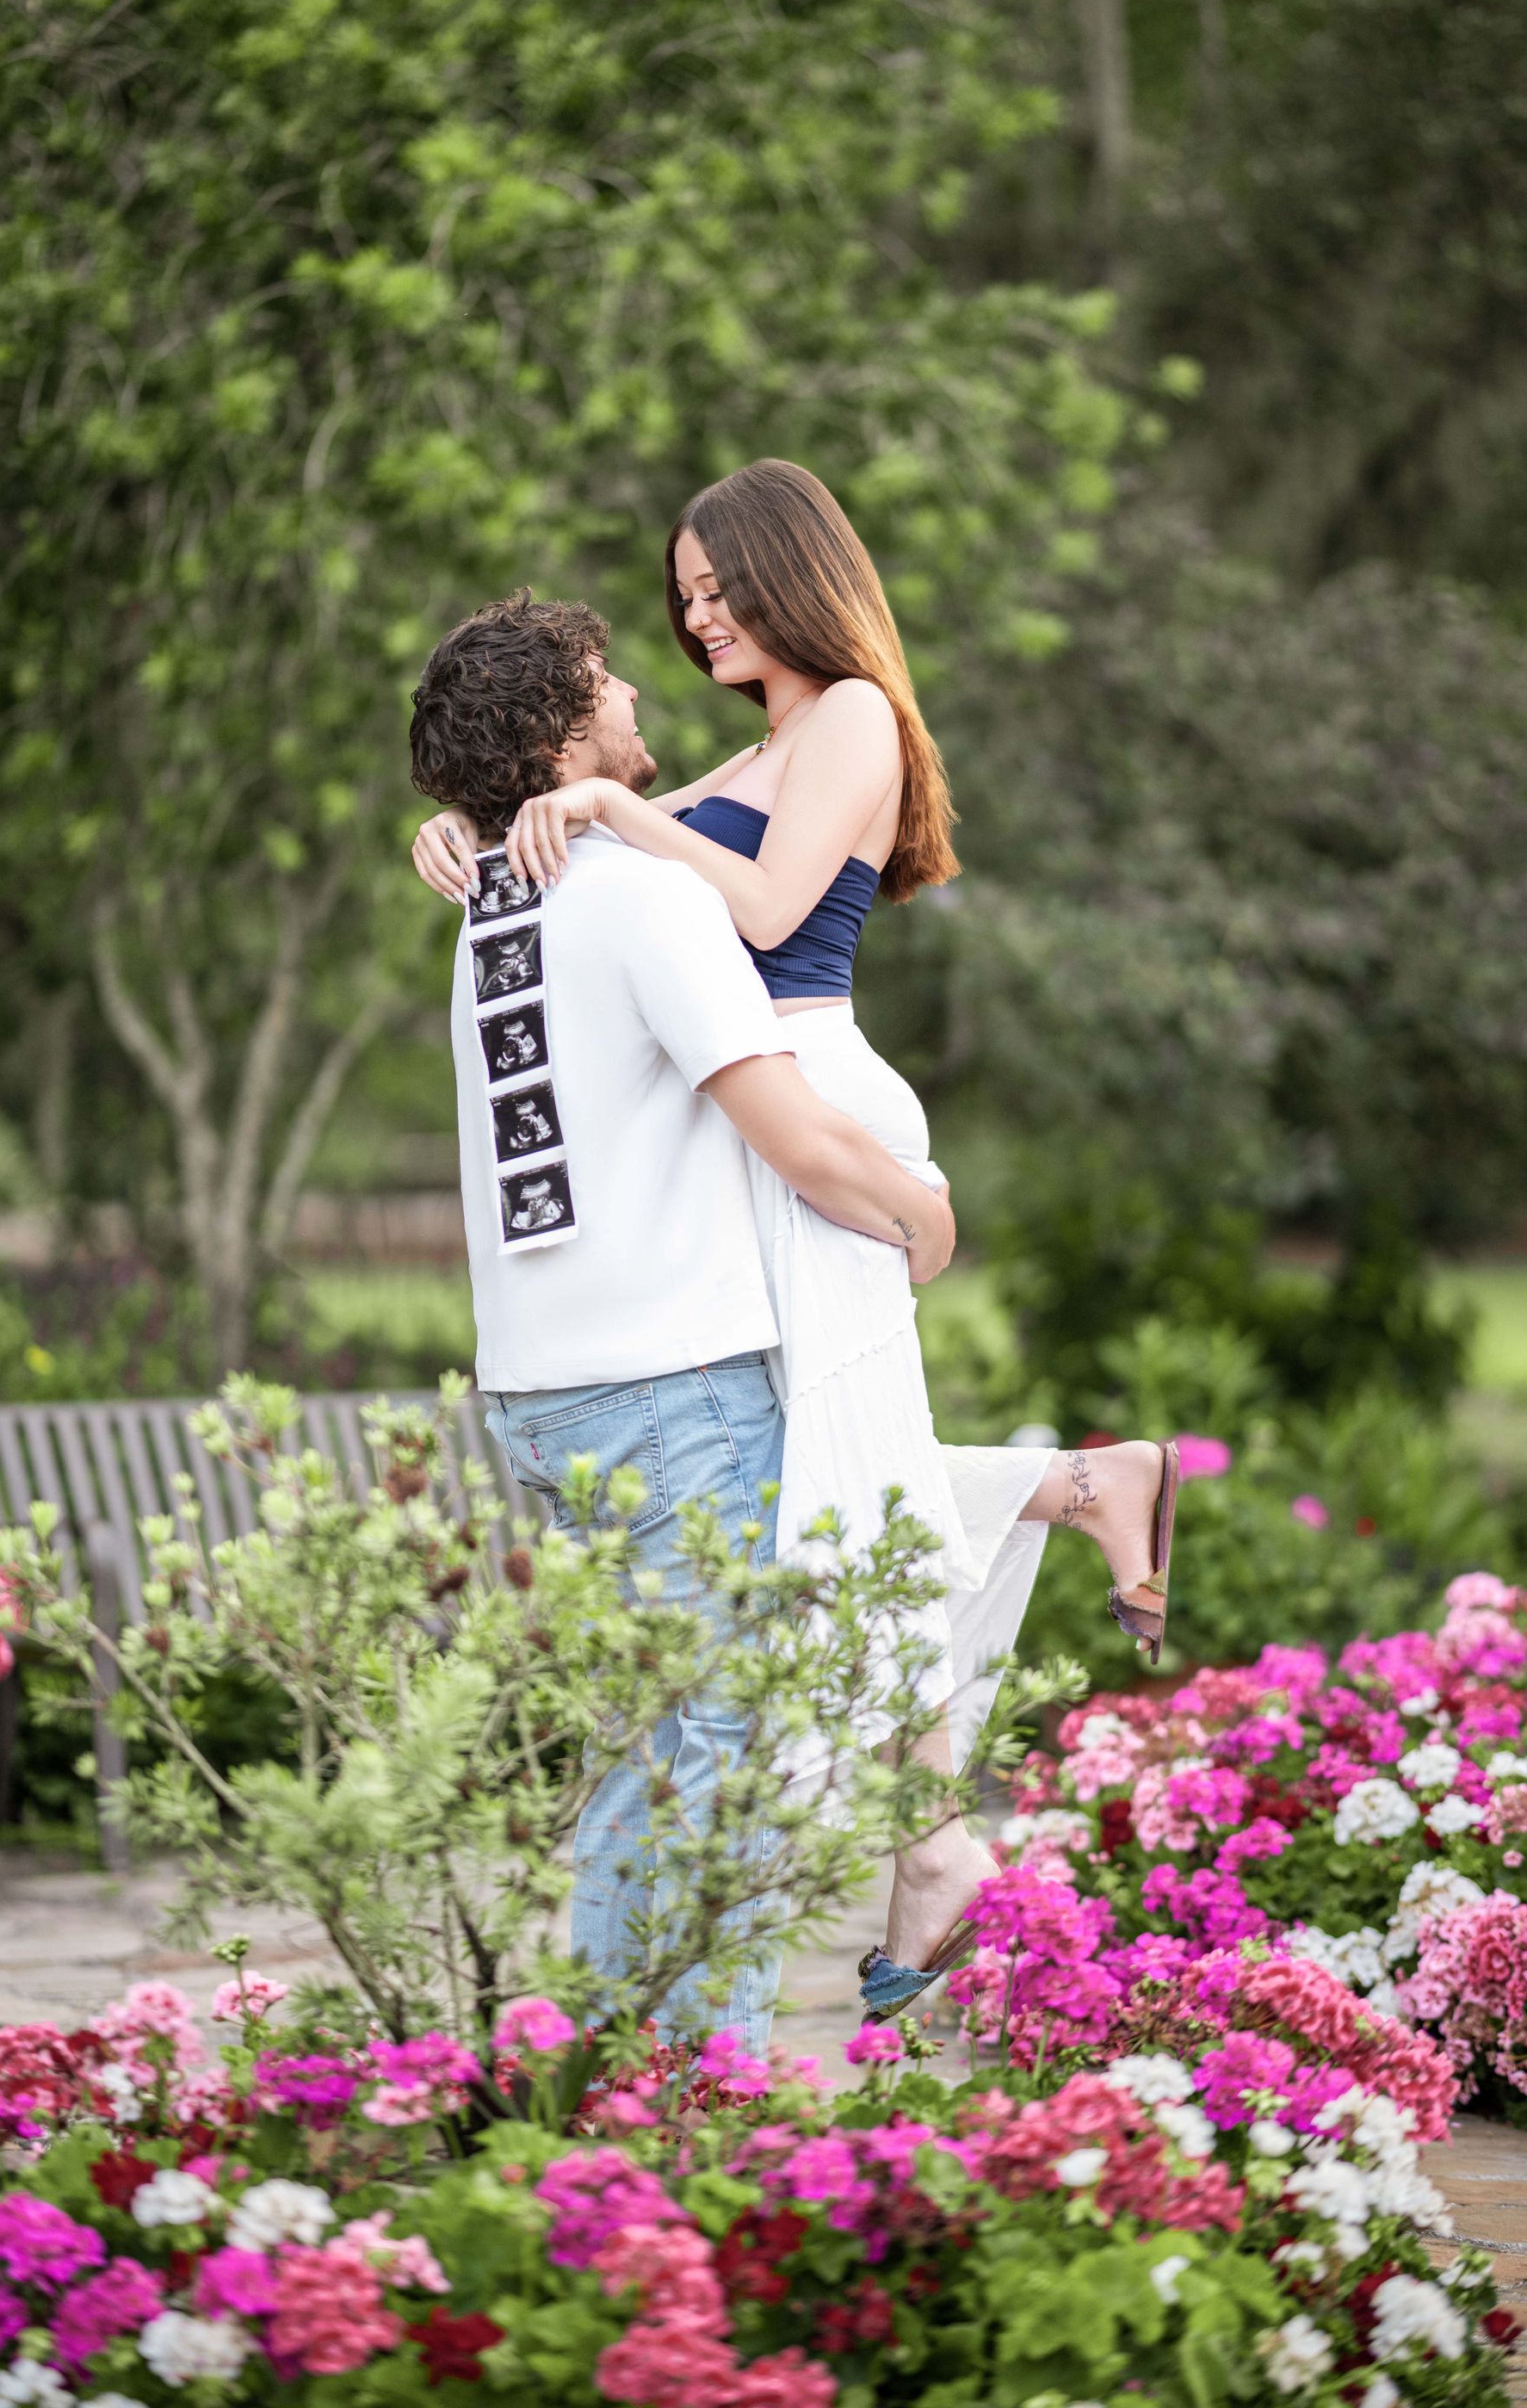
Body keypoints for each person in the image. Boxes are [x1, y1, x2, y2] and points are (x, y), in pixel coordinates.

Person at [413, 463, 1178, 2024]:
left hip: (803, 1086)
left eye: (719, 587)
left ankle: (937, 1830)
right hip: (749, 1110)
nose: (696, 618)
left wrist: (615, 804)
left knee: (845, 1459)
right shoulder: (755, 744)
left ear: (794, 574)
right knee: (838, 1460)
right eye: (682, 595)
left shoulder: (849, 721)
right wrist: (471, 823)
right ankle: (1045, 1567)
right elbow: (587, 835)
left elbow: (756, 911)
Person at [409, 587, 956, 2055]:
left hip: (539, 1402)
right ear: (557, 729)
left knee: (645, 1770)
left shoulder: (492, 909)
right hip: (672, 1401)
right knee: (716, 1770)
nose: (639, 696)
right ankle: (686, 2113)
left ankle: (600, 2095)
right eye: (608, 680)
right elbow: (791, 1132)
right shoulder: (650, 898)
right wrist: (919, 1207)